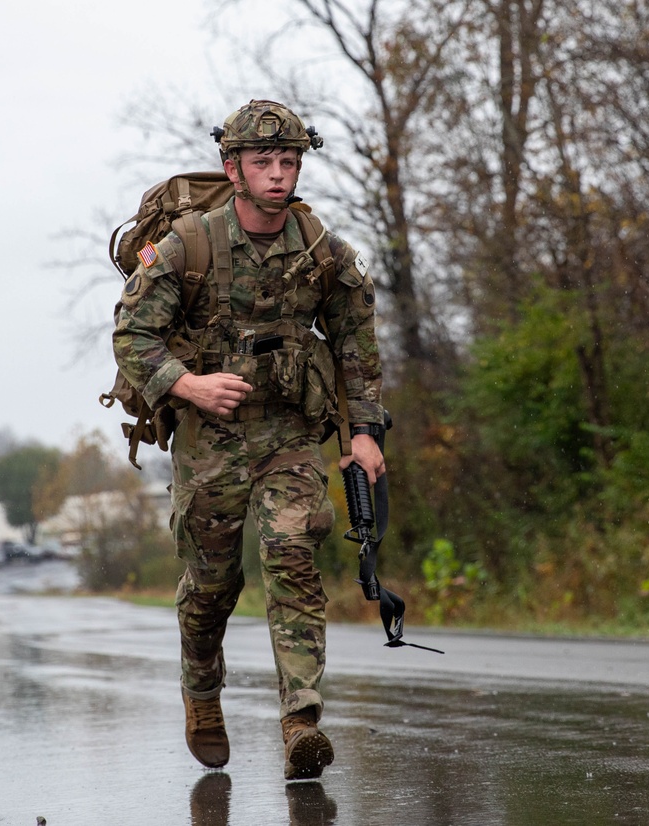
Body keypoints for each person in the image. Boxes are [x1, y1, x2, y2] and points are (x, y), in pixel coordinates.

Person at [112, 100, 385, 780]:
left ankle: (302, 721)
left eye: (288, 160)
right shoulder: (189, 246)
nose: (277, 173)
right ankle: (202, 692)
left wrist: (364, 432)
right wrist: (188, 386)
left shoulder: (323, 251)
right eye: (262, 161)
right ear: (232, 168)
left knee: (292, 554)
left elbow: (356, 340)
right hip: (211, 443)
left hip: (290, 433)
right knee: (211, 586)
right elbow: (133, 335)